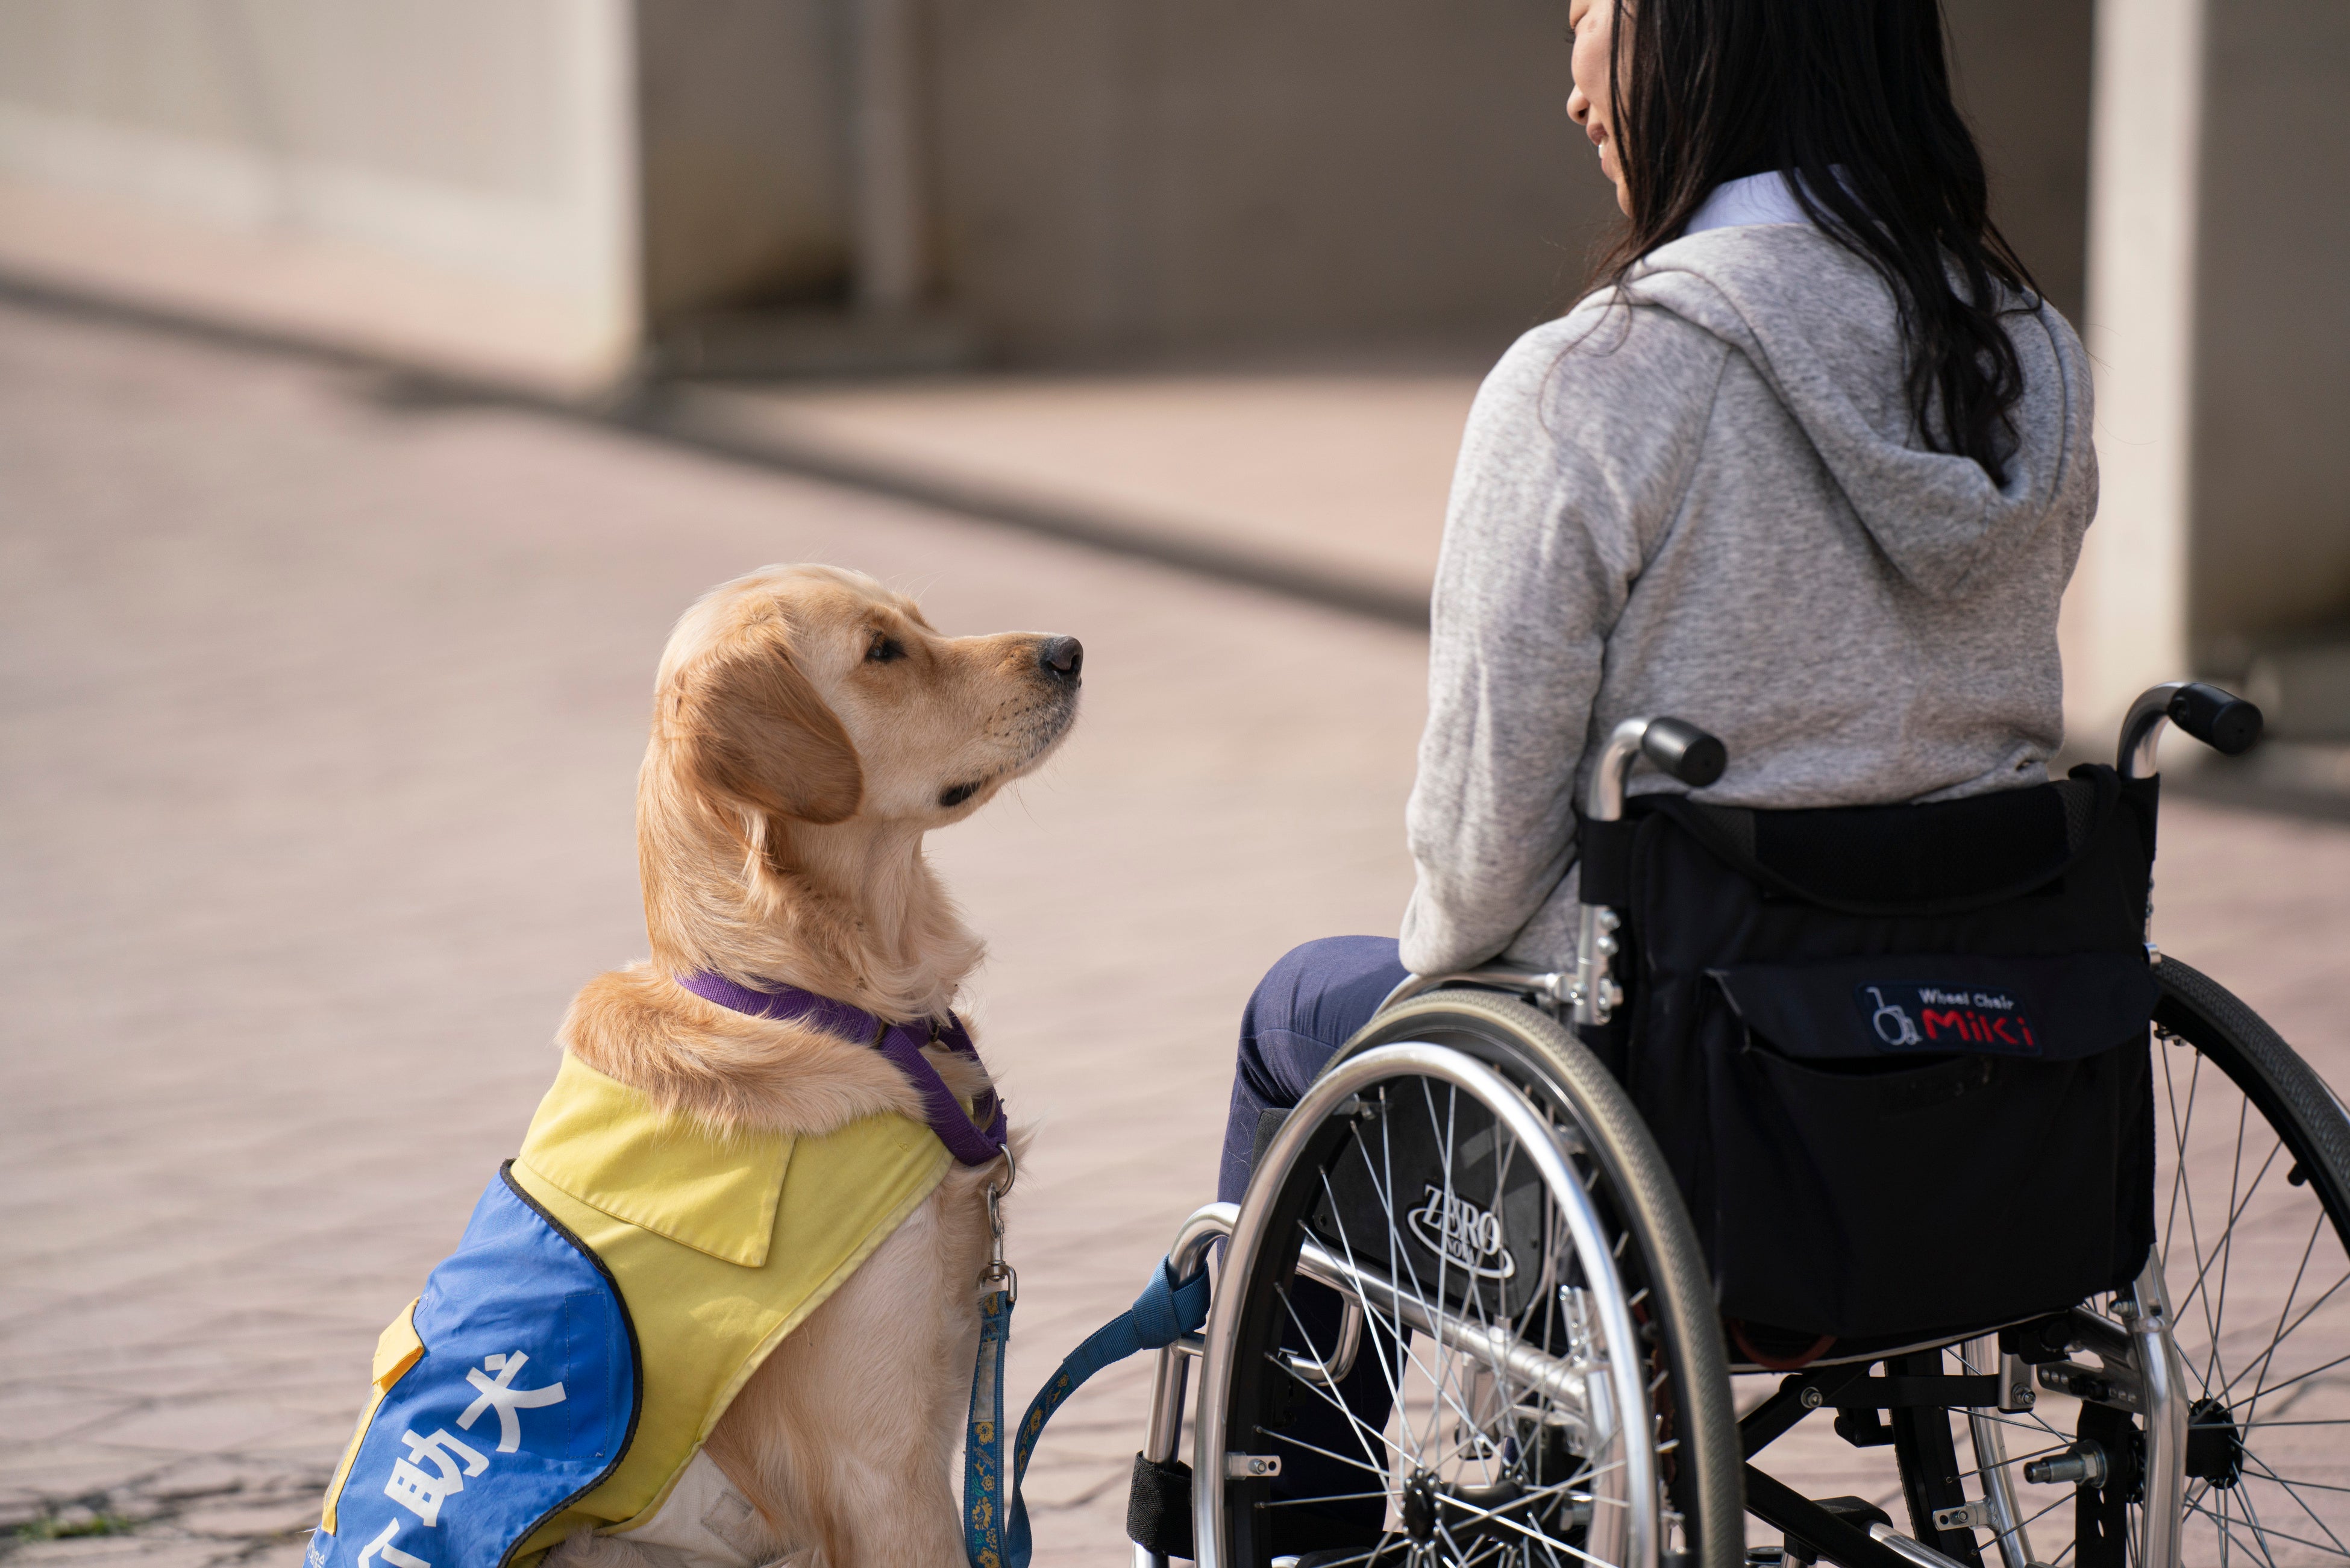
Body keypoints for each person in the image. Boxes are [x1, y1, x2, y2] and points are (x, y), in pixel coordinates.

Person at [1215, 0, 2096, 1546]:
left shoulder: (1597, 384)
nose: (1573, 88)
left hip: (1686, 1115)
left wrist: (1441, 980)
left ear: (1712, 37)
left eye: (1590, 19)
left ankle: (1289, 1520)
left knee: (1310, 1010)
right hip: (1996, 1089)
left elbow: (1478, 873)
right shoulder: (2027, 356)